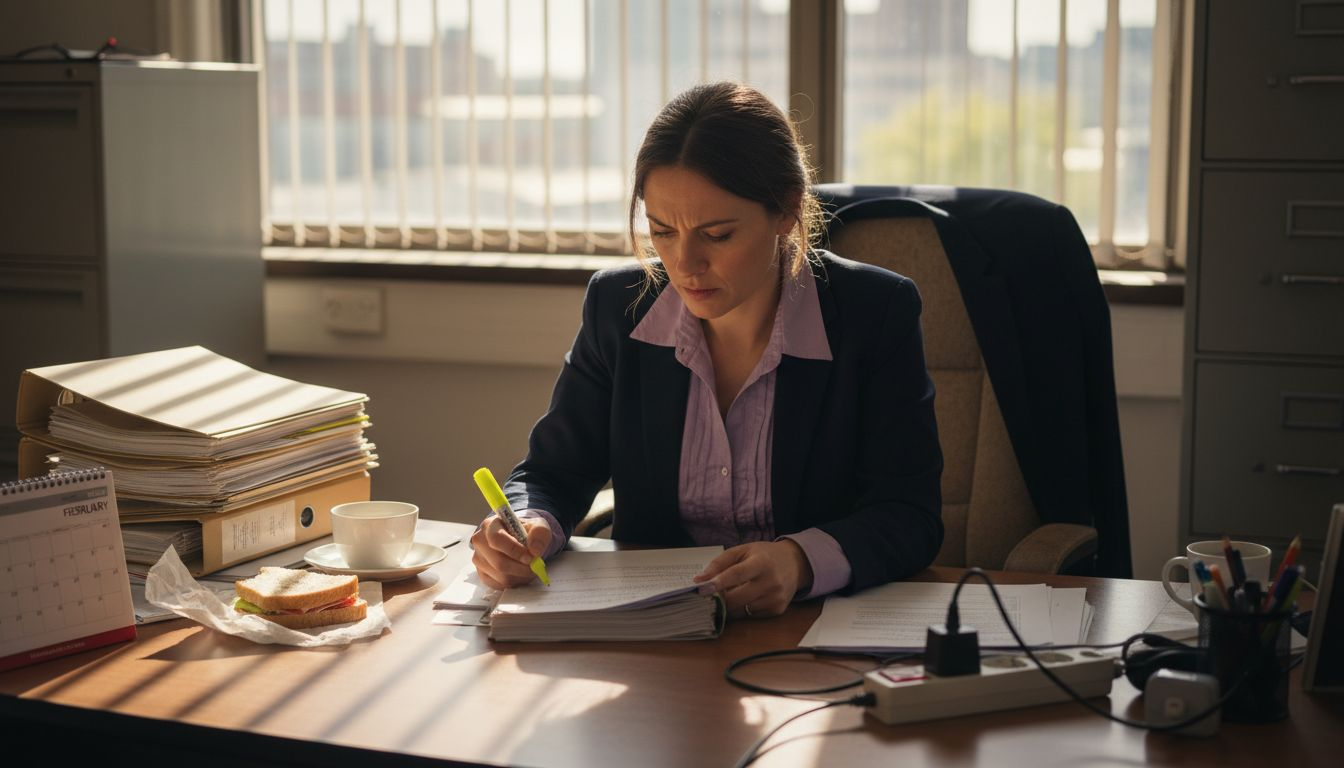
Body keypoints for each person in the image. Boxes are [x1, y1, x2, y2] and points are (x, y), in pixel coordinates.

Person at [471, 82, 943, 618]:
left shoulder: (875, 313)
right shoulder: (617, 307)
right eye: (662, 231)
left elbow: (909, 514)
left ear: (787, 210)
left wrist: (798, 561)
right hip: (653, 633)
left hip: (808, 630)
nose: (685, 264)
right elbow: (553, 472)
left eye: (717, 235)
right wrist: (528, 523)